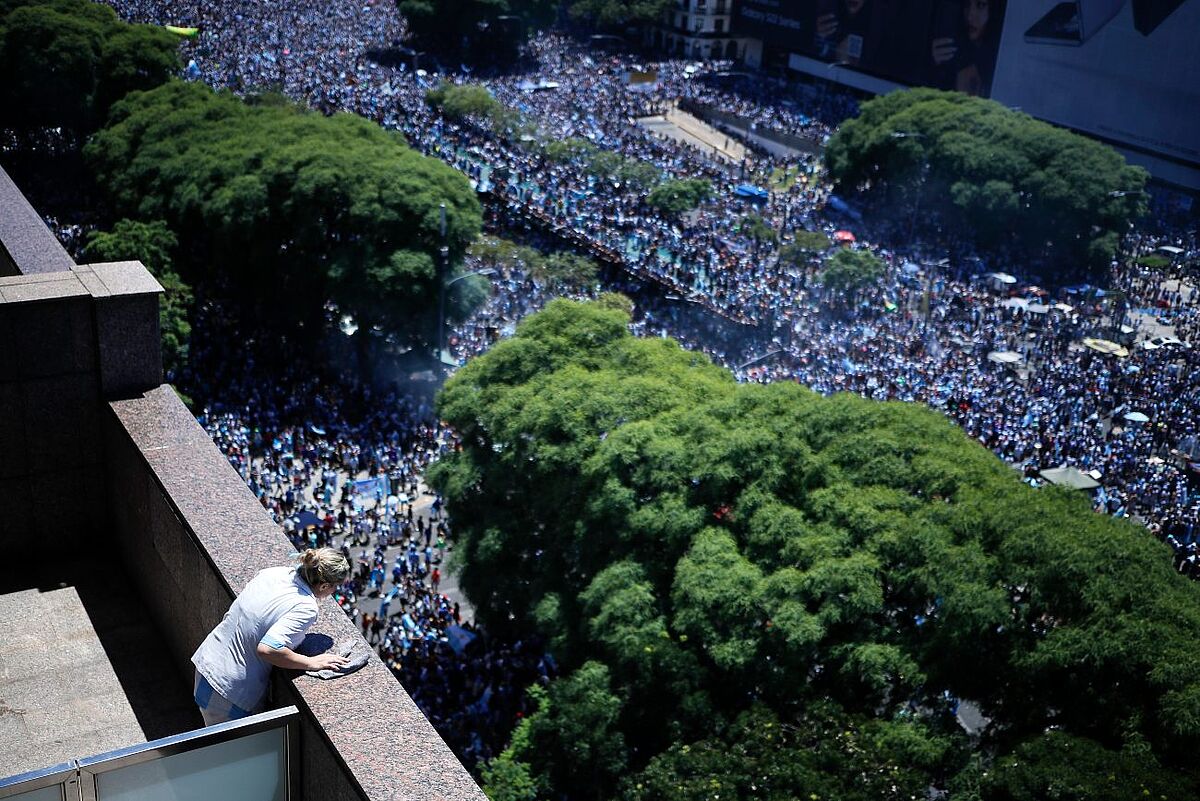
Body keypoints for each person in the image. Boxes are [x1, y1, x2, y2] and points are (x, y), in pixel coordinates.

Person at [191, 547, 351, 725]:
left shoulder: (273, 573)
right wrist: (312, 662)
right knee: (233, 749)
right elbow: (268, 649)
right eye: (335, 587)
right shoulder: (306, 606)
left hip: (207, 662)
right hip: (230, 690)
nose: (334, 591)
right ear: (324, 585)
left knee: (212, 736)